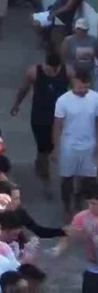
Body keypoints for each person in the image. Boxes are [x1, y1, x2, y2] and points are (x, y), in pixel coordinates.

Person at [10, 51, 68, 197]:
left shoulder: (68, 72)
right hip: (40, 116)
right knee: (44, 151)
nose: (53, 72)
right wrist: (16, 105)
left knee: (58, 147)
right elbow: (23, 89)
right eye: (50, 69)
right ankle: (46, 182)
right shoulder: (34, 72)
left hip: (61, 117)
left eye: (56, 69)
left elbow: (76, 92)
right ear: (45, 64)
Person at [53, 69, 98, 218]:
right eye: (80, 87)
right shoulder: (63, 100)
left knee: (90, 179)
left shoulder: (95, 98)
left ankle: (82, 203)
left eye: (86, 87)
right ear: (74, 82)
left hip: (89, 145)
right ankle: (67, 206)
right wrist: (55, 148)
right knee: (67, 178)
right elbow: (57, 125)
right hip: (69, 146)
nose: (83, 90)